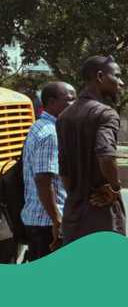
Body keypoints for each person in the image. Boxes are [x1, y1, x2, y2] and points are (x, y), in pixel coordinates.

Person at [57, 55, 126, 244]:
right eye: (117, 76)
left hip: (73, 215)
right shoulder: (105, 113)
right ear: (100, 76)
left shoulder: (64, 116)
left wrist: (77, 195)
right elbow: (105, 155)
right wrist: (114, 188)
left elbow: (63, 170)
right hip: (102, 216)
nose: (120, 83)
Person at [20, 81, 76, 261]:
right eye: (70, 100)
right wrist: (57, 220)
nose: (74, 104)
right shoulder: (50, 133)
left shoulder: (38, 126)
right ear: (51, 102)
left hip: (39, 220)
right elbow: (43, 180)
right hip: (46, 222)